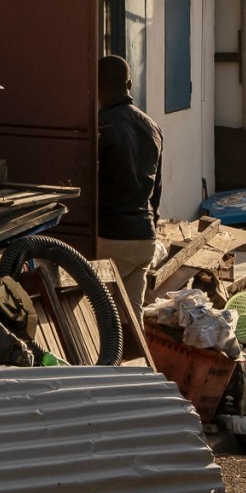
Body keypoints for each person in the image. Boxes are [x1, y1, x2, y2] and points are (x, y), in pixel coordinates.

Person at [95, 55, 164, 310]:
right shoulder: (152, 127)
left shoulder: (100, 127)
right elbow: (156, 192)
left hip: (112, 238)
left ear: (96, 85)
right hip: (144, 238)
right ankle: (135, 351)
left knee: (98, 317)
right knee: (132, 318)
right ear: (130, 84)